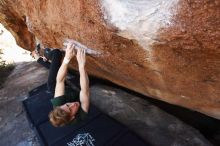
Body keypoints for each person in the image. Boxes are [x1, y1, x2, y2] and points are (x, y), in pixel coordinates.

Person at [32, 42, 90, 127]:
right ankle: (45, 60)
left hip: (54, 86)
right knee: (59, 68)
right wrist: (81, 66)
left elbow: (60, 80)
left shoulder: (58, 103)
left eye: (67, 105)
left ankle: (42, 57)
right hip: (71, 91)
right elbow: (85, 91)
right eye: (71, 110)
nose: (72, 105)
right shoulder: (81, 116)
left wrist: (67, 58)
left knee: (57, 53)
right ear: (72, 118)